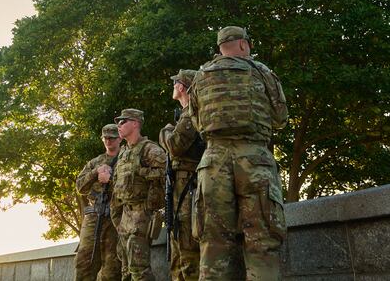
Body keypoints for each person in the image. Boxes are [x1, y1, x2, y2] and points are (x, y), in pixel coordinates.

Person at [189, 26, 289, 280]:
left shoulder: (200, 77)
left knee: (213, 245)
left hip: (213, 164)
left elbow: (198, 123)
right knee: (262, 241)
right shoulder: (261, 71)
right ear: (244, 45)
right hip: (254, 160)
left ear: (221, 47)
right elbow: (280, 118)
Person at [159, 69, 205, 281]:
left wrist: (164, 132)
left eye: (175, 83)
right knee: (178, 254)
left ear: (181, 86)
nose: (173, 87)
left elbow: (175, 146)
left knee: (188, 251)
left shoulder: (190, 114)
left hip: (189, 187)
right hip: (180, 185)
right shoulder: (185, 115)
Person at [110, 108, 166, 281]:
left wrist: (142, 171)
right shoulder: (124, 152)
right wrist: (117, 218)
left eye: (123, 122)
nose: (118, 125)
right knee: (126, 270)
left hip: (142, 214)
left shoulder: (149, 149)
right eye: (118, 122)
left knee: (139, 269)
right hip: (125, 215)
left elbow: (167, 171)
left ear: (135, 123)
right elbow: (117, 184)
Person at [74, 124, 123, 281]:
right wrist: (95, 173)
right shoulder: (95, 162)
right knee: (84, 262)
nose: (108, 141)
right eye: (105, 138)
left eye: (112, 138)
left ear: (120, 138)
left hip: (117, 218)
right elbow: (80, 186)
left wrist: (111, 178)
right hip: (94, 217)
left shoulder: (126, 159)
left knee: (112, 267)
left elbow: (134, 186)